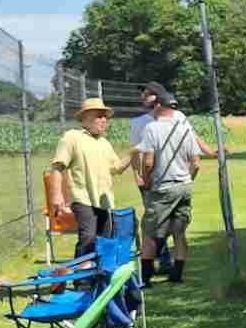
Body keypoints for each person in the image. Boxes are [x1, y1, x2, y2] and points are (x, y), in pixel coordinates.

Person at [134, 86, 215, 285]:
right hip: (184, 186)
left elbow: (148, 162)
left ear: (158, 106)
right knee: (179, 232)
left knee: (149, 232)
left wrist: (147, 180)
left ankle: (146, 277)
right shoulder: (185, 129)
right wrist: (188, 179)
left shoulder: (151, 128)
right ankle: (176, 274)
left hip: (162, 188)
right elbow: (195, 162)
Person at [47, 98, 134, 259]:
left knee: (105, 240)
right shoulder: (72, 137)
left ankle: (100, 273)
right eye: (99, 116)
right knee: (88, 238)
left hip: (104, 201)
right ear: (85, 118)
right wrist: (56, 195)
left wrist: (134, 152)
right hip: (82, 199)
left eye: (105, 117)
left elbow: (117, 168)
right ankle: (81, 274)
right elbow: (57, 167)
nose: (104, 120)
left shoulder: (104, 143)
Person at [129, 82, 185, 262]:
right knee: (155, 222)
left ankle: (164, 257)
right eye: (143, 93)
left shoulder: (177, 116)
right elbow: (135, 152)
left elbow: (189, 138)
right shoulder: (138, 122)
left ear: (158, 97)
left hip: (173, 177)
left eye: (148, 93)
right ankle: (164, 259)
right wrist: (138, 176)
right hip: (150, 180)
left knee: (173, 222)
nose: (143, 97)